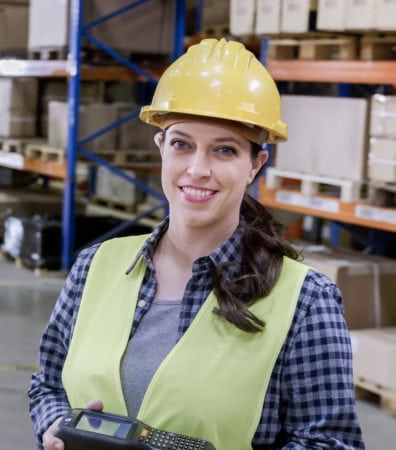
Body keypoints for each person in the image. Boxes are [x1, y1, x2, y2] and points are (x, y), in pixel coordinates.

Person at [28, 38, 365, 449]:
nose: (198, 169)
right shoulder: (94, 266)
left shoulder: (305, 301)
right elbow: (48, 384)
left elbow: (329, 442)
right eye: (182, 144)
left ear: (255, 164)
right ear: (161, 148)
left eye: (224, 150)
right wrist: (54, 424)